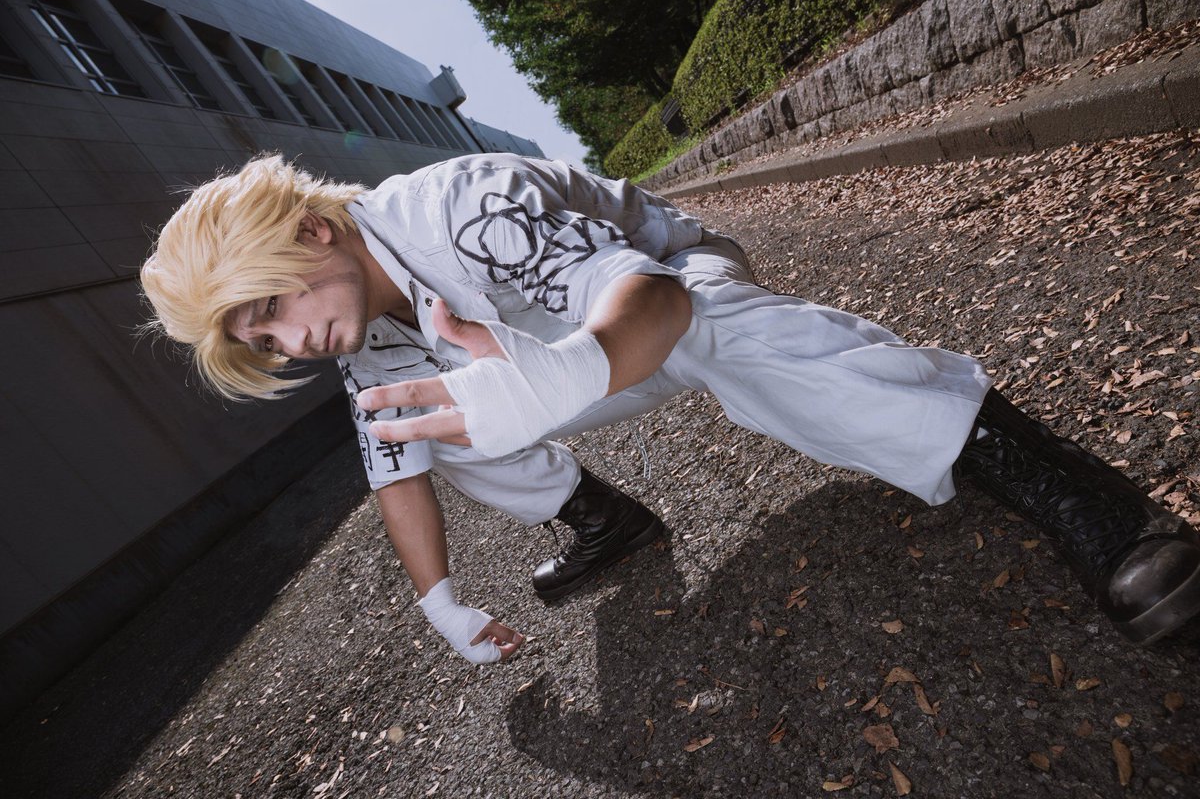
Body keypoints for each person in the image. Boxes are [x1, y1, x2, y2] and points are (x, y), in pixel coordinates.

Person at [141, 153, 1200, 664]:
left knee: (714, 333)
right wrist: (441, 602)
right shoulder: (358, 333)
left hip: (678, 286)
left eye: (269, 308)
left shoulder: (457, 212)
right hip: (574, 356)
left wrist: (550, 382)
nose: (287, 341)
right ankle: (603, 519)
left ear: (312, 235)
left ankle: (1085, 503)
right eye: (261, 342)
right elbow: (393, 467)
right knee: (428, 423)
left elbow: (650, 300)